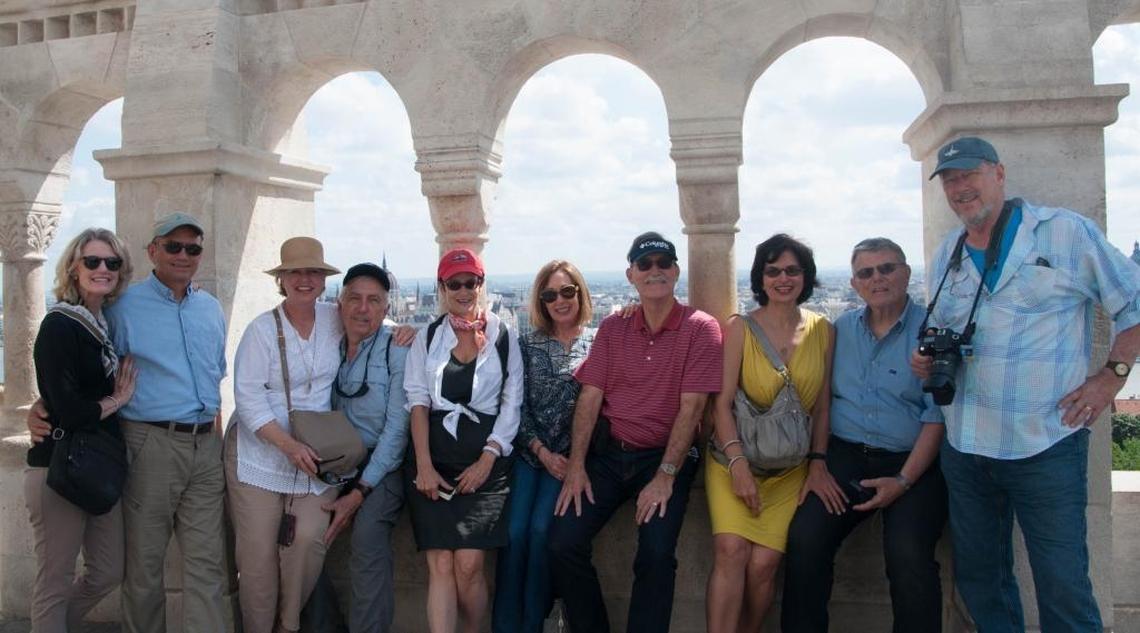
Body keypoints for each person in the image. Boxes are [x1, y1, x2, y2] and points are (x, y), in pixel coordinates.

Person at [912, 136, 1140, 631]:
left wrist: (1111, 378)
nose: (959, 187)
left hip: (1046, 442)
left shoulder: (1064, 234)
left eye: (969, 173)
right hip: (967, 444)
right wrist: (929, 362)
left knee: (1063, 587)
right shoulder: (946, 253)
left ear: (999, 173)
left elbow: (1135, 305)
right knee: (982, 585)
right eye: (950, 179)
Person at [548, 231, 723, 633]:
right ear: (631, 275)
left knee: (657, 554)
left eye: (664, 263)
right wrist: (577, 465)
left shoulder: (701, 329)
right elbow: (590, 397)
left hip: (663, 458)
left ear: (677, 271)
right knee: (561, 543)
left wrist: (665, 476)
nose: (655, 271)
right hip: (609, 456)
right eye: (645, 265)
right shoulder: (615, 326)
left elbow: (692, 408)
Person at [782, 237, 947, 633]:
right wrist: (818, 465)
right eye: (866, 273)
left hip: (913, 463)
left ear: (906, 274)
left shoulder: (932, 333)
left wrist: (903, 481)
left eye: (887, 268)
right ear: (854, 284)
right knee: (805, 542)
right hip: (845, 458)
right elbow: (821, 402)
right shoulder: (840, 331)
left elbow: (936, 417)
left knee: (908, 555)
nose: (878, 279)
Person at [703, 234, 837, 633]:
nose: (783, 278)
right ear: (760, 278)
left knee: (764, 565)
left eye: (792, 270)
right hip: (733, 459)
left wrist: (818, 463)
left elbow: (823, 407)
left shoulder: (824, 332)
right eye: (773, 270)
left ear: (805, 277)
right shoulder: (741, 329)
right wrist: (739, 464)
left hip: (789, 469)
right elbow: (721, 403)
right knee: (730, 550)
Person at [404, 248, 524, 633]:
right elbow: (418, 401)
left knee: (469, 566)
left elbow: (512, 403)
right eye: (454, 283)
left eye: (470, 282)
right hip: (433, 462)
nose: (463, 290)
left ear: (481, 284)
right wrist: (423, 465)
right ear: (441, 287)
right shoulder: (428, 335)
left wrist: (487, 459)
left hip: (487, 463)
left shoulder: (504, 335)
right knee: (440, 564)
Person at [228, 236, 343, 633]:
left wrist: (404, 334)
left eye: (313, 271)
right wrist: (288, 445)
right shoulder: (260, 330)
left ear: (324, 280)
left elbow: (376, 323)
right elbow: (247, 398)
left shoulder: (335, 318)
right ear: (282, 280)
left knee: (309, 540)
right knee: (257, 556)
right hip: (262, 453)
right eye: (295, 272)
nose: (305, 279)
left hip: (317, 457)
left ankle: (289, 624)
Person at [25, 228, 136, 633]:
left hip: (97, 467)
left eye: (112, 262)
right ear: (73, 268)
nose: (102, 269)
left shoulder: (103, 324)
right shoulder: (59, 325)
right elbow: (68, 409)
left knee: (108, 571)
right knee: (53, 582)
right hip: (57, 467)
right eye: (92, 261)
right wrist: (116, 401)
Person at [492, 260, 596, 633]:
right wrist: (539, 449)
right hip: (530, 452)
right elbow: (515, 405)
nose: (559, 300)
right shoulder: (526, 344)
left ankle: (532, 621)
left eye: (567, 291)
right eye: (550, 294)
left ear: (580, 293)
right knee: (515, 532)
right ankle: (506, 624)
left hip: (571, 459)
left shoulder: (598, 343)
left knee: (539, 532)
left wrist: (570, 458)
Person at [313, 263, 411, 633]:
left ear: (386, 308)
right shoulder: (326, 345)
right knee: (303, 535)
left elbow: (397, 431)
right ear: (339, 303)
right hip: (333, 461)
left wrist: (360, 492)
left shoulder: (396, 350)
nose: (363, 309)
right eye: (354, 298)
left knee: (367, 539)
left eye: (374, 301)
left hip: (381, 467)